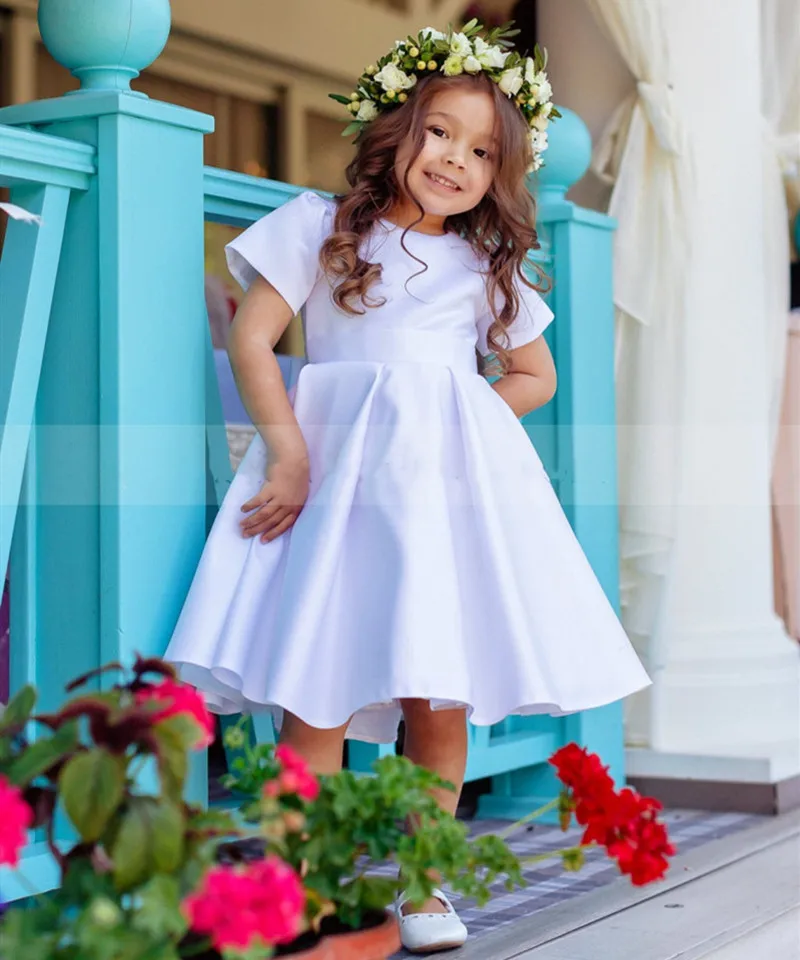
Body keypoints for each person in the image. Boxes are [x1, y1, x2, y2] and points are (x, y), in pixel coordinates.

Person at [165, 22, 650, 954]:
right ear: (400, 127)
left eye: (481, 152)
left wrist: (464, 429)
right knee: (315, 686)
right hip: (333, 492)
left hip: (433, 508)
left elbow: (534, 376)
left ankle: (425, 888)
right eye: (442, 133)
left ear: (499, 177)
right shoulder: (320, 227)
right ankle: (293, 887)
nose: (456, 160)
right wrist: (290, 453)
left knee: (438, 696)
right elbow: (253, 339)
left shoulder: (484, 266)